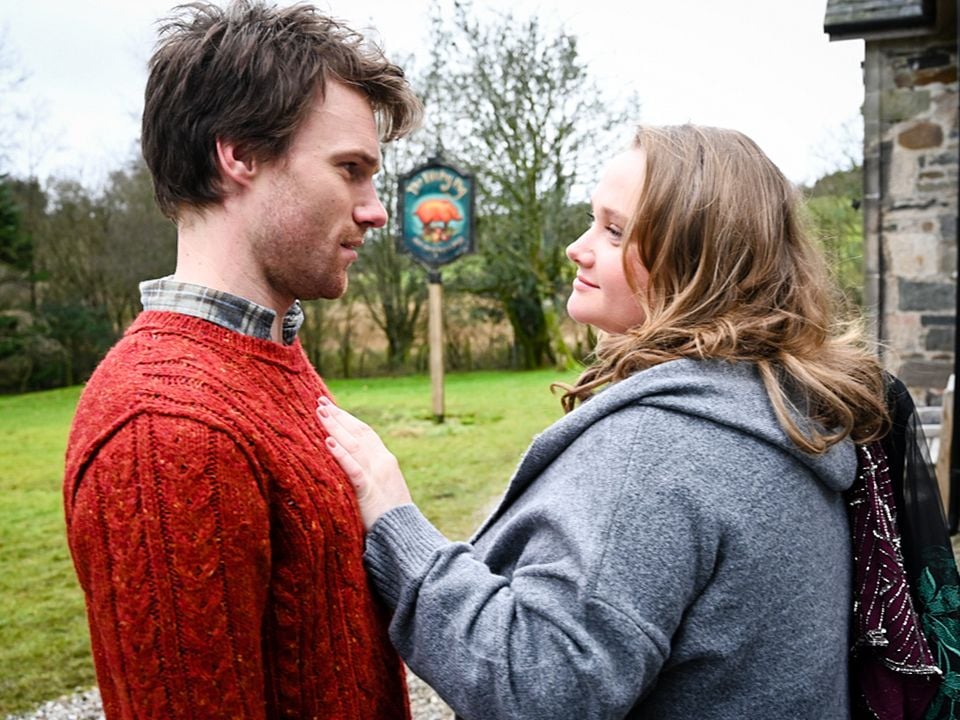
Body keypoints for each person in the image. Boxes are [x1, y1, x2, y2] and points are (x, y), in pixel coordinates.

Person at [316, 124, 893, 719]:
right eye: (594, 220)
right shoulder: (774, 408)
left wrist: (395, 523)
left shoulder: (662, 446)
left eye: (614, 231)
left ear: (696, 265)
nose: (578, 247)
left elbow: (538, 689)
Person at [62, 1, 421, 718]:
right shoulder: (165, 434)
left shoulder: (266, 353)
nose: (376, 208)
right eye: (350, 169)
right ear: (240, 156)